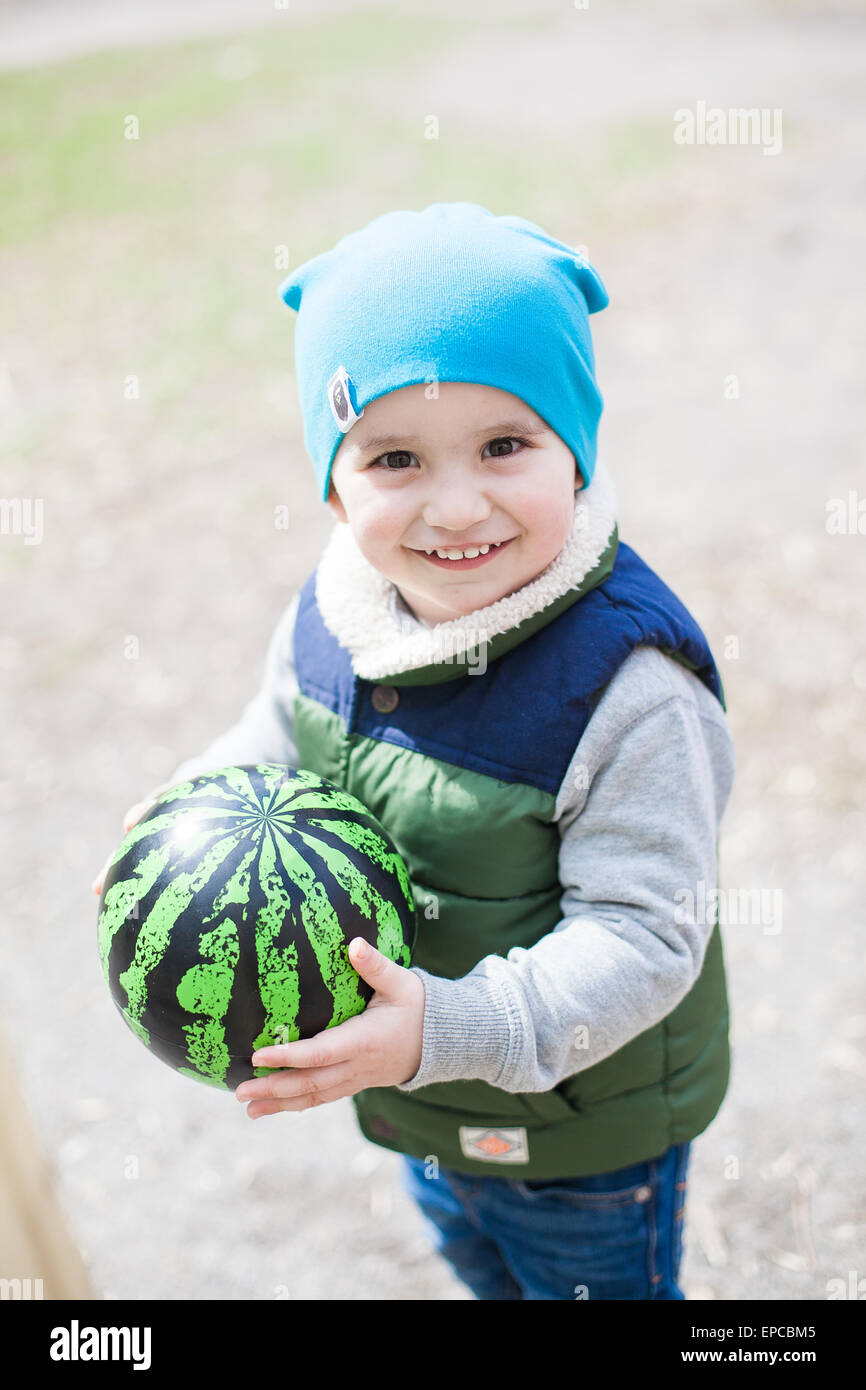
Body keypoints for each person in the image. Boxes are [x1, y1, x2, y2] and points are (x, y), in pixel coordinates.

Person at [92, 202, 735, 1301]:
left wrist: (444, 1027)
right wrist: (187, 807)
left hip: (586, 1140)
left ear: (573, 451)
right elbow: (277, 739)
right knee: (476, 1267)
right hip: (421, 1107)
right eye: (394, 457)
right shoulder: (334, 618)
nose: (454, 504)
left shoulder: (627, 691)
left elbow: (642, 935)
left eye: (503, 444)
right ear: (333, 483)